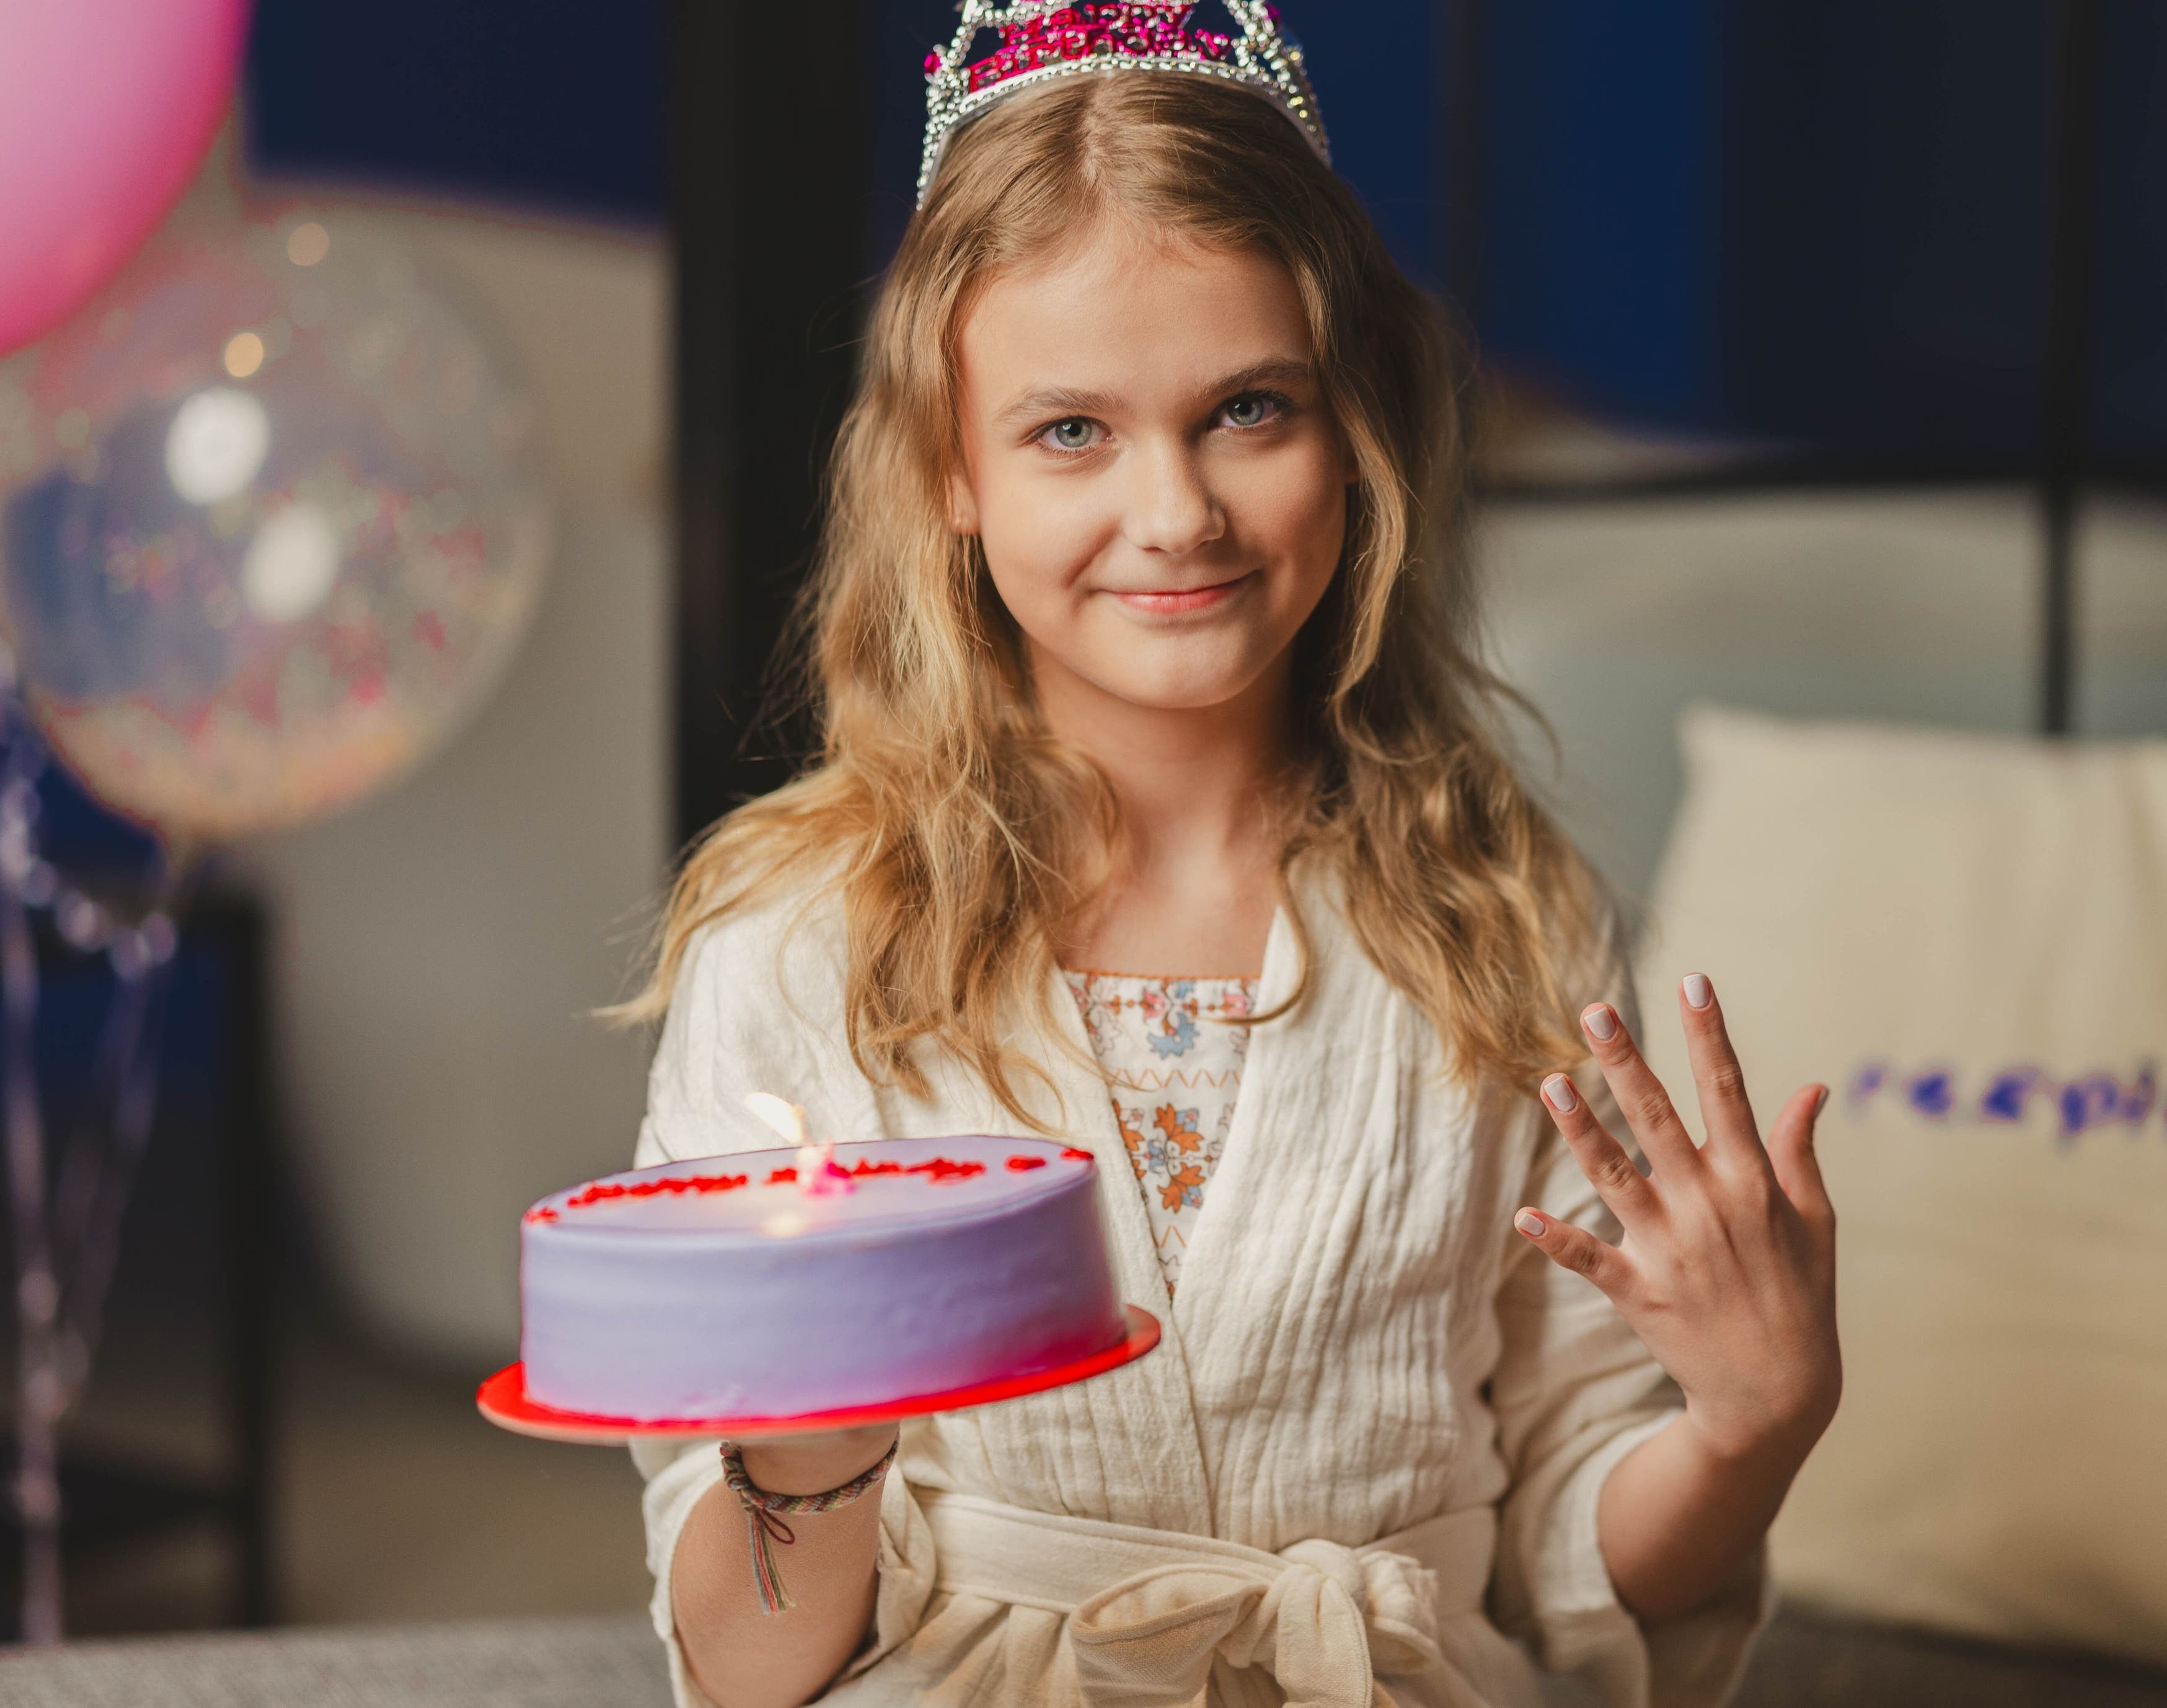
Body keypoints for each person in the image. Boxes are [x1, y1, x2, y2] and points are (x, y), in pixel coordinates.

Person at [617, 9, 1839, 1706]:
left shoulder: (1511, 922)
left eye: (1247, 409)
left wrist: (1749, 1427)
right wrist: (806, 1453)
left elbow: (1584, 1541)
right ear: (943, 467)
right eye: (1070, 432)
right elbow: (748, 1670)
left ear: (1354, 429)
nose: (1177, 510)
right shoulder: (794, 943)